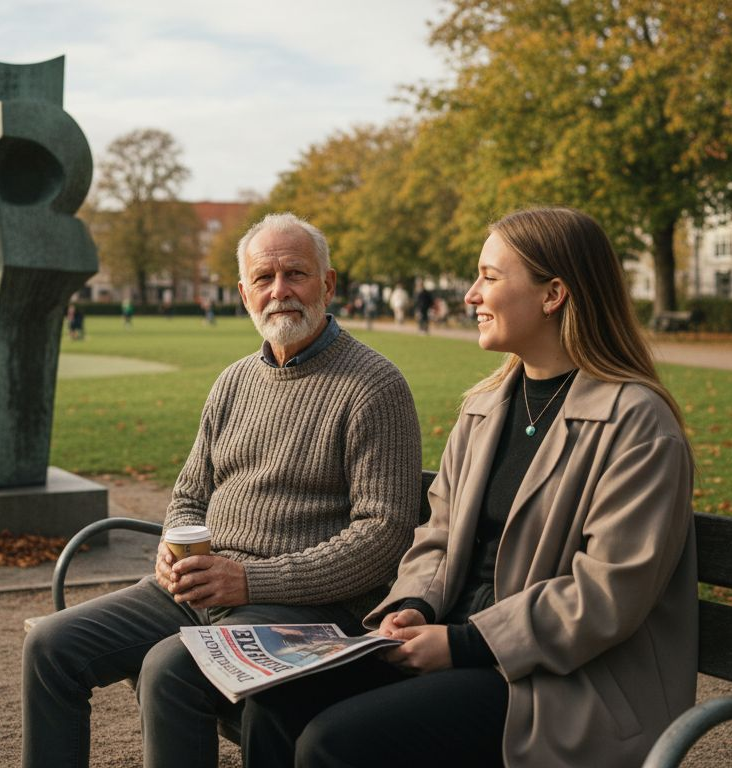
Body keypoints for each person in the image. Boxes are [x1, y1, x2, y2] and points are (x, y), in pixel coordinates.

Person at [242, 206, 696, 768]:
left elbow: (606, 595)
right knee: (272, 704)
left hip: (559, 682)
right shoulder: (485, 408)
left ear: (552, 294)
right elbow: (436, 536)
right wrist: (413, 605)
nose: (470, 295)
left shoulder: (635, 422)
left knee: (333, 742)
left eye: (489, 276)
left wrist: (463, 644)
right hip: (458, 646)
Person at [21, 212, 423, 768]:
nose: (279, 291)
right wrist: (171, 551)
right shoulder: (233, 381)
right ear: (243, 293)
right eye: (263, 278)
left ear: (328, 285)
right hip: (200, 590)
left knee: (169, 669)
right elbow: (189, 494)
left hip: (302, 608)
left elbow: (383, 536)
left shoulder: (374, 386)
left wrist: (249, 579)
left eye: (296, 275)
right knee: (51, 647)